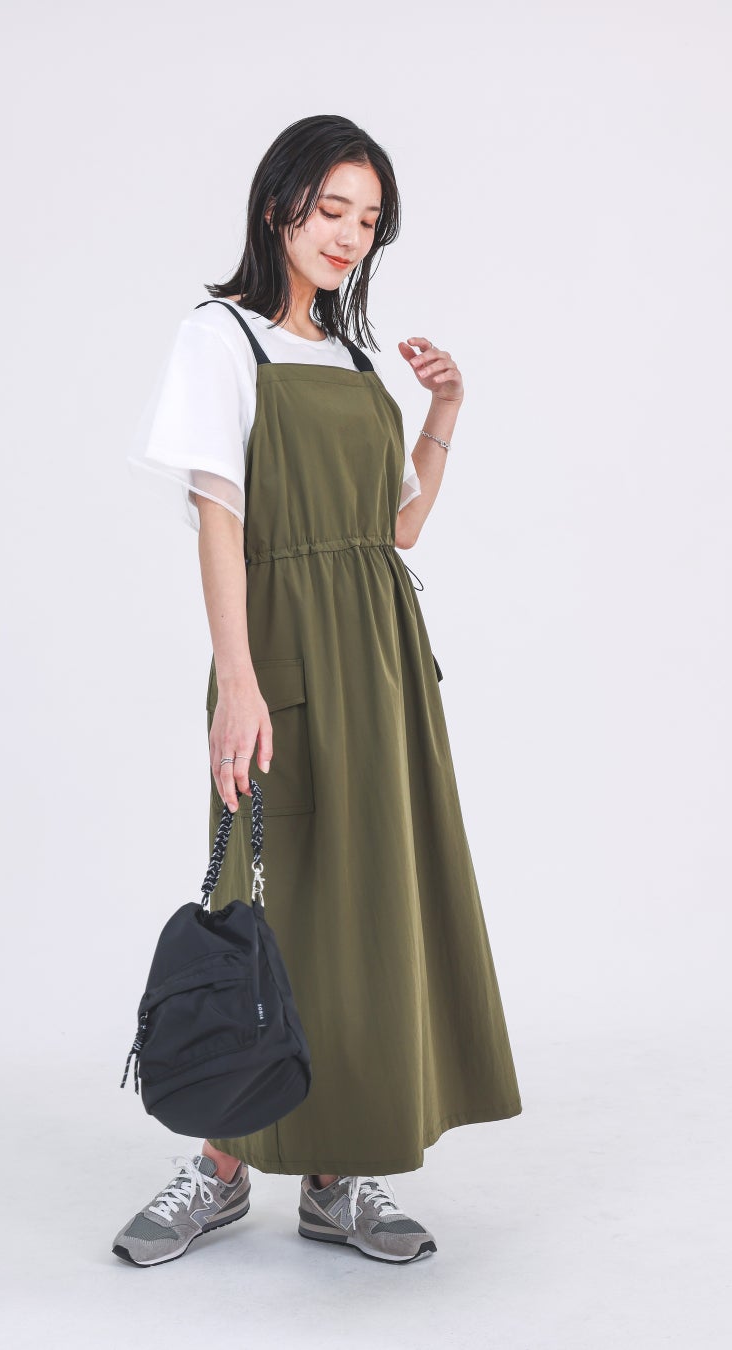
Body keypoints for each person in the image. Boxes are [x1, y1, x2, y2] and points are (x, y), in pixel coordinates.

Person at [114, 114, 522, 1268]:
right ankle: (220, 1166)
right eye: (332, 208)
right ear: (277, 207)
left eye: (369, 219)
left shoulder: (351, 356)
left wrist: (444, 413)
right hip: (282, 652)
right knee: (268, 895)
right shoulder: (220, 338)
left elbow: (395, 529)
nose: (349, 235)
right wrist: (236, 683)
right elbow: (219, 518)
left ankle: (339, 1175)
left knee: (365, 905)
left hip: (382, 662)